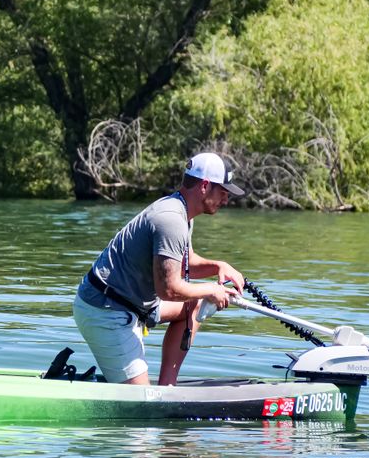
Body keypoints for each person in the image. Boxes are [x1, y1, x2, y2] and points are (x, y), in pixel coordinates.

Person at [73, 152, 245, 386]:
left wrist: (218, 266)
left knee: (192, 306)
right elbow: (169, 290)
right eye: (223, 192)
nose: (226, 200)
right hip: (105, 310)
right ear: (205, 186)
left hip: (129, 304)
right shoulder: (171, 219)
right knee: (141, 410)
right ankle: (152, 401)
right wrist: (211, 290)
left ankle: (167, 388)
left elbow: (182, 264)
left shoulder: (183, 213)